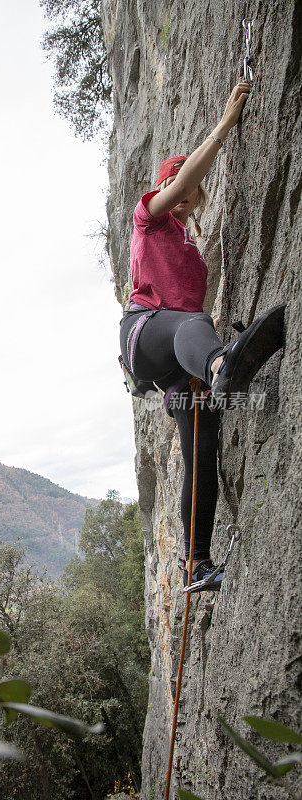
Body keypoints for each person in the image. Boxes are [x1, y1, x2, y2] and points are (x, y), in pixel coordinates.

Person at [119, 81, 285, 592]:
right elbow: (188, 175)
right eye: (174, 183)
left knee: (203, 451)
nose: (181, 190)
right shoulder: (148, 220)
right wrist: (225, 125)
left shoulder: (190, 250)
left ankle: (196, 563)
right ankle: (221, 366)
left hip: (180, 360)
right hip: (145, 335)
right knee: (197, 326)